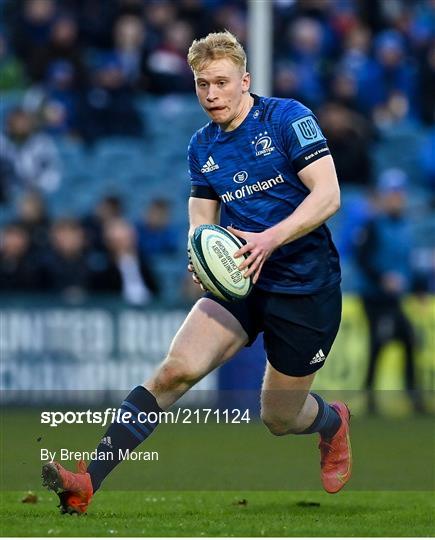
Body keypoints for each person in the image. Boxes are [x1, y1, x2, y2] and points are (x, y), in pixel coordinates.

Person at [42, 31, 351, 514]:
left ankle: (332, 423)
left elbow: (328, 196)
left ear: (245, 81)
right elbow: (201, 213)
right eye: (202, 84)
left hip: (305, 287)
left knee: (278, 416)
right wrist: (198, 248)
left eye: (221, 83)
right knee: (174, 372)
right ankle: (86, 481)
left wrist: (270, 238)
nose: (211, 94)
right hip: (242, 280)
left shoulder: (288, 119)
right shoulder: (202, 146)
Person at [355, 169, 423, 413]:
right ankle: (371, 396)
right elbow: (362, 258)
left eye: (399, 193)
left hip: (394, 298)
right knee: (380, 341)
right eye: (392, 193)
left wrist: (419, 287)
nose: (396, 198)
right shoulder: (373, 225)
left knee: (405, 340)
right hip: (375, 297)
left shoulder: (405, 226)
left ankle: (411, 397)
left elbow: (407, 262)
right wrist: (382, 277)